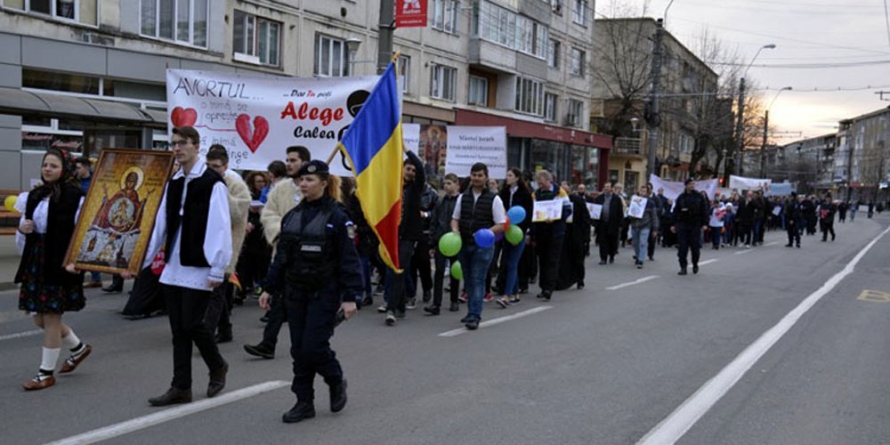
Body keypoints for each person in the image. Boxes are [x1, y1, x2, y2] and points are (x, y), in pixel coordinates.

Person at [258, 160, 360, 423]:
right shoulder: (292, 216)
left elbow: (349, 258)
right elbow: (281, 256)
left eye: (310, 180)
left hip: (324, 292)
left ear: (324, 183)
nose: (304, 184)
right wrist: (269, 288)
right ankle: (304, 402)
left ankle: (335, 379)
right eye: (301, 180)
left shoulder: (337, 217)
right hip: (295, 292)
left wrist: (351, 297)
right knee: (298, 350)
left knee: (313, 347)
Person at [141, 126, 232, 406]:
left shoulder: (211, 182)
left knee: (193, 323)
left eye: (183, 143)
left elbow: (220, 226)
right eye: (174, 143)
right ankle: (181, 386)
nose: (177, 148)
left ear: (196, 146)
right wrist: (140, 261)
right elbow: (161, 225)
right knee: (178, 329)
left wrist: (218, 266)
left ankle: (217, 364)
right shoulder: (175, 182)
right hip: (175, 263)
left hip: (199, 263)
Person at [16, 148, 91, 390]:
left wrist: (77, 260)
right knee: (39, 318)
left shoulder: (75, 197)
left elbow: (83, 232)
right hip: (37, 258)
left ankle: (45, 373)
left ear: (64, 169)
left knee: (50, 317)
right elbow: (29, 226)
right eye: (45, 165)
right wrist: (24, 228)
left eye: (53, 166)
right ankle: (78, 348)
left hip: (60, 260)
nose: (47, 169)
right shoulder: (35, 195)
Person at [244, 146, 310, 359]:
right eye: (287, 160)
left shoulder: (315, 187)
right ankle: (268, 343)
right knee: (279, 298)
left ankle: (310, 344)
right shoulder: (280, 189)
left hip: (310, 257)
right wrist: (281, 231)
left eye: (294, 160)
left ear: (304, 162)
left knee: (305, 303)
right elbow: (269, 213)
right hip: (285, 252)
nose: (289, 164)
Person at [203, 146, 251, 344]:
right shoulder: (202, 181)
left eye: (216, 167)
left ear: (225, 167)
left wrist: (220, 189)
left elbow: (237, 214)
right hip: (206, 243)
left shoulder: (235, 185)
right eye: (209, 166)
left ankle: (206, 335)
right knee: (216, 291)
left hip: (227, 244)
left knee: (216, 291)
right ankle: (225, 330)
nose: (212, 170)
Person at [451, 163, 506, 329]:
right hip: (464, 243)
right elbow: (455, 219)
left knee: (477, 279)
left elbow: (501, 224)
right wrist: (455, 231)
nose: (476, 178)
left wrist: (485, 233)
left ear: (486, 177)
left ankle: (475, 315)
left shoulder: (494, 199)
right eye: (474, 175)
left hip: (483, 246)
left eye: (480, 175)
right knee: (468, 280)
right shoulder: (463, 197)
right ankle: (470, 312)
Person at [384, 150, 425, 326]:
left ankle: (391, 309)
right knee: (396, 269)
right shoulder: (393, 188)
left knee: (398, 270)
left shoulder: (415, 188)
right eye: (408, 169)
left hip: (408, 235)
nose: (411, 173)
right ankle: (400, 305)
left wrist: (407, 150)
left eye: (413, 170)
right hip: (392, 234)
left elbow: (421, 170)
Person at [495, 168, 533, 307]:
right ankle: (516, 292)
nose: (507, 177)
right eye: (507, 175)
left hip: (518, 232)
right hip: (505, 230)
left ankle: (507, 295)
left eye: (510, 175)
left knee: (512, 263)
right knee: (509, 262)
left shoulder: (525, 194)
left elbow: (528, 215)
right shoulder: (503, 193)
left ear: (517, 178)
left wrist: (525, 232)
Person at [530, 170, 571, 301]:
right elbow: (533, 211)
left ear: (548, 180)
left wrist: (556, 218)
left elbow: (568, 209)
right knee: (542, 260)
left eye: (541, 183)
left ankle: (549, 288)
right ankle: (543, 287)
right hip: (541, 231)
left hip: (556, 231)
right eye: (538, 183)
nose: (539, 185)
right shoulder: (536, 194)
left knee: (552, 260)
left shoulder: (560, 192)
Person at [425, 173, 461, 315]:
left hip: (455, 241)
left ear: (456, 184)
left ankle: (454, 300)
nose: (446, 186)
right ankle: (436, 303)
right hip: (441, 241)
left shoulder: (460, 201)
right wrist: (432, 242)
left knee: (455, 271)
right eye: (445, 184)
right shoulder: (440, 202)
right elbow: (434, 222)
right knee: (439, 272)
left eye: (449, 183)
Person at [236, 171, 273, 301]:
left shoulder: (267, 194)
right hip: (249, 235)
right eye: (258, 181)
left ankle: (261, 286)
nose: (261, 184)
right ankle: (242, 289)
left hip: (261, 234)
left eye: (263, 181)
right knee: (246, 262)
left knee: (262, 262)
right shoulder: (248, 195)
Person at [73, 156, 103, 289]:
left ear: (86, 167)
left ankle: (94, 277)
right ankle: (93, 276)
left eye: (79, 168)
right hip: (77, 218)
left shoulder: (93, 182)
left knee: (87, 247)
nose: (76, 170)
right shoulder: (75, 182)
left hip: (90, 219)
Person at [672, 179, 708, 275]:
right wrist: (674, 224)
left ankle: (695, 263)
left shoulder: (699, 197)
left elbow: (704, 210)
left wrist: (705, 223)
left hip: (695, 225)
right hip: (683, 225)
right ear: (686, 185)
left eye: (693, 184)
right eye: (690, 184)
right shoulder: (681, 197)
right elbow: (676, 211)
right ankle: (683, 267)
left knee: (695, 248)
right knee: (682, 248)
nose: (692, 186)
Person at [592, 182, 623, 265]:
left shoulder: (616, 199)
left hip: (613, 223)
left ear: (611, 188)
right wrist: (595, 222)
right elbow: (595, 210)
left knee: (612, 241)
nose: (606, 188)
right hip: (602, 223)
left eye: (608, 187)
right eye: (605, 187)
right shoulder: (599, 198)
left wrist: (620, 223)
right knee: (603, 241)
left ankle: (612, 255)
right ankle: (603, 258)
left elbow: (620, 212)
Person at [629, 185, 659, 269]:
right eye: (641, 191)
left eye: (644, 191)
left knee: (643, 243)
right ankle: (638, 256)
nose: (642, 193)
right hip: (635, 225)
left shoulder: (650, 203)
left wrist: (655, 228)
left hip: (645, 225)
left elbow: (654, 216)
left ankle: (641, 260)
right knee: (635, 243)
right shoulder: (634, 200)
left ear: (647, 192)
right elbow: (630, 213)